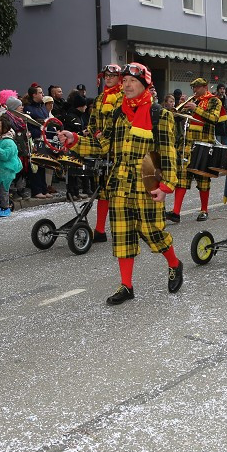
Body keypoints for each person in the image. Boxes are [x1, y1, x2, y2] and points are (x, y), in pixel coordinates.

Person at [57, 62, 184, 305]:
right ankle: (127, 285)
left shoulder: (160, 115)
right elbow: (103, 147)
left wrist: (167, 185)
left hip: (148, 181)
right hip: (120, 182)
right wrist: (74, 140)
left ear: (145, 85)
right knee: (123, 235)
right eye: (124, 80)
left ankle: (175, 264)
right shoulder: (118, 114)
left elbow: (168, 154)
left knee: (153, 232)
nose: (126, 85)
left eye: (132, 81)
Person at [167, 77, 225, 223]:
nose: (194, 90)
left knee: (203, 178)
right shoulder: (193, 101)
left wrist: (196, 108)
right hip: (187, 143)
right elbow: (178, 119)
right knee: (182, 178)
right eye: (193, 88)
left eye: (197, 88)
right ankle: (175, 212)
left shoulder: (214, 100)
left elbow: (214, 118)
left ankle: (204, 210)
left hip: (204, 143)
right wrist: (181, 108)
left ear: (205, 87)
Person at [92, 64, 124, 242]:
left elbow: (119, 123)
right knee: (102, 190)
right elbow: (92, 121)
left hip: (117, 150)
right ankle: (99, 230)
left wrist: (107, 137)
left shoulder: (123, 97)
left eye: (112, 75)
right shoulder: (99, 98)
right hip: (101, 149)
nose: (109, 78)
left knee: (118, 192)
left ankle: (124, 229)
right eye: (106, 75)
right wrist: (94, 132)